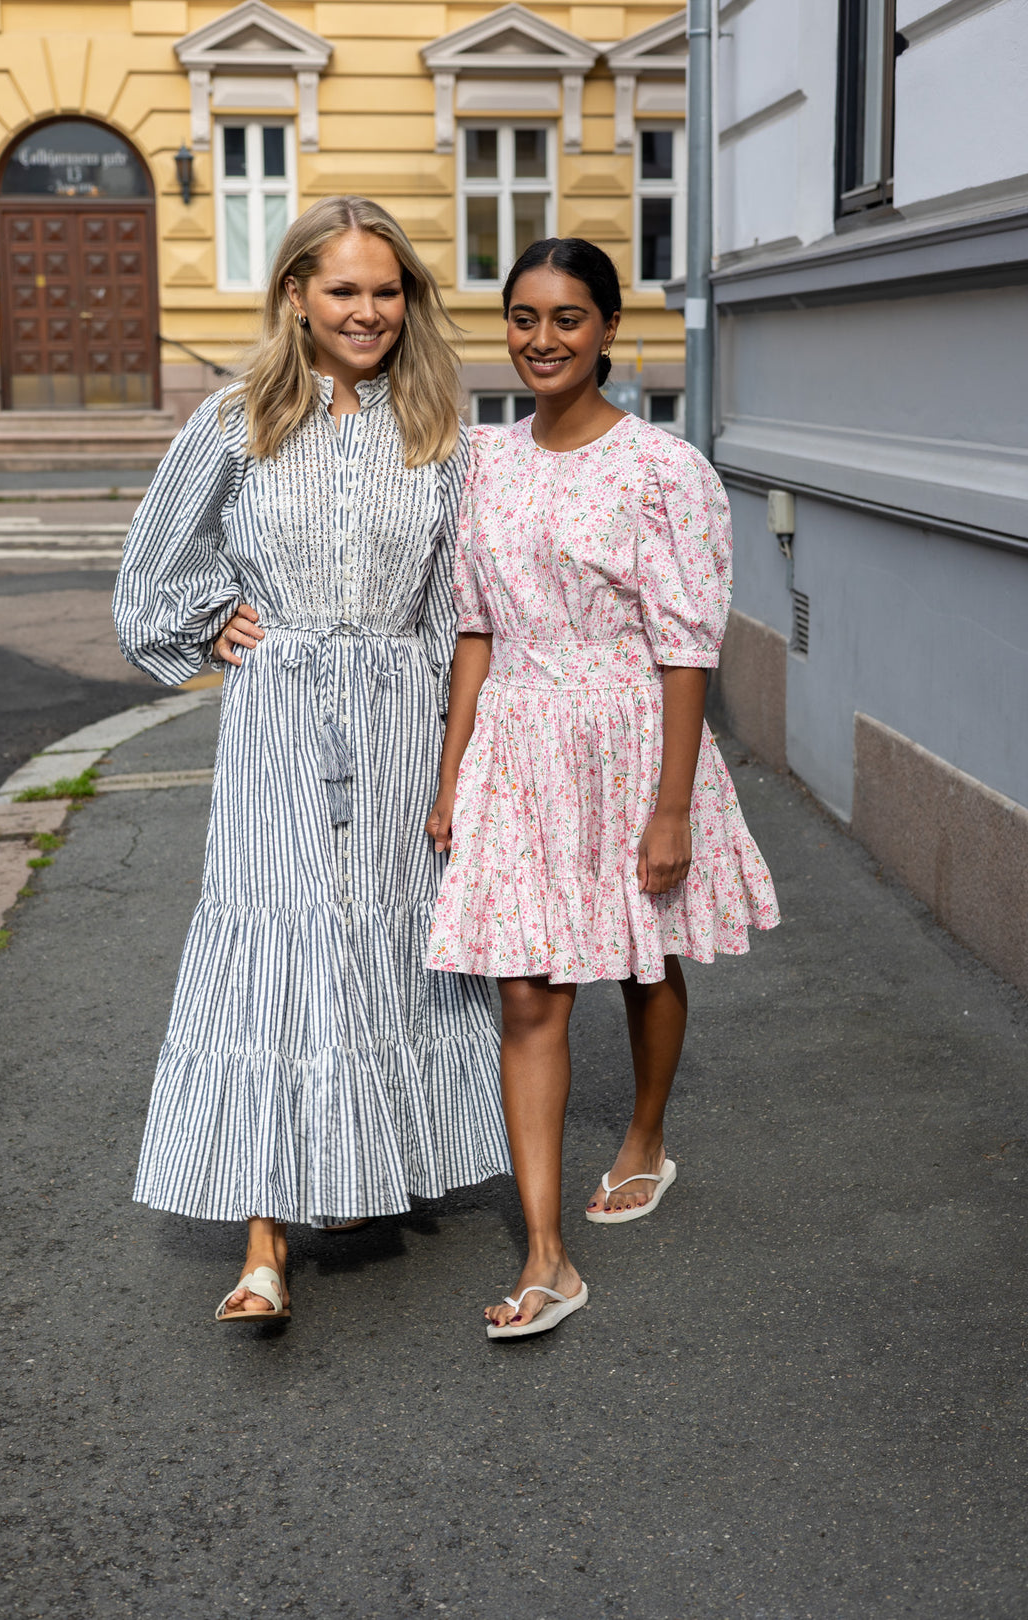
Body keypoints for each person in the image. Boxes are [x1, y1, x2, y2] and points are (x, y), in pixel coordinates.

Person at [114, 195, 510, 1322]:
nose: (368, 311)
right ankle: (261, 1246)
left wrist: (456, 764)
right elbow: (151, 574)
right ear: (296, 294)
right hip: (279, 719)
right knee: (277, 948)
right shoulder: (237, 418)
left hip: (400, 717)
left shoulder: (440, 426)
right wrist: (212, 621)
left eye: (386, 291)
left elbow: (455, 611)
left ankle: (356, 1169)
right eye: (343, 289)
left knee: (382, 941)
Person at [425, 238, 780, 1340]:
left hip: (630, 741)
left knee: (639, 956)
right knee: (528, 992)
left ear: (610, 331)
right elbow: (475, 624)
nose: (543, 339)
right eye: (525, 318)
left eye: (568, 318)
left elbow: (687, 646)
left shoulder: (662, 468)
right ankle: (546, 1255)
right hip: (520, 745)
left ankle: (644, 1139)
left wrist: (672, 804)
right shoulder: (483, 461)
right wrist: (451, 776)